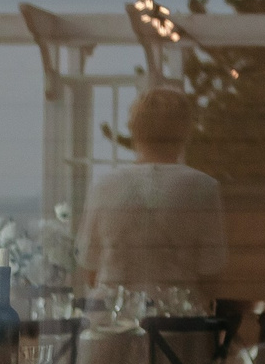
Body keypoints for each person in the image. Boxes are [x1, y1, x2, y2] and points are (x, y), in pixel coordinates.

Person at [77, 86, 228, 301]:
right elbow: (211, 271)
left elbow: (90, 266)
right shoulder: (203, 188)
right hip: (177, 315)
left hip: (112, 316)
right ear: (185, 131)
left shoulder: (104, 186)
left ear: (134, 130)